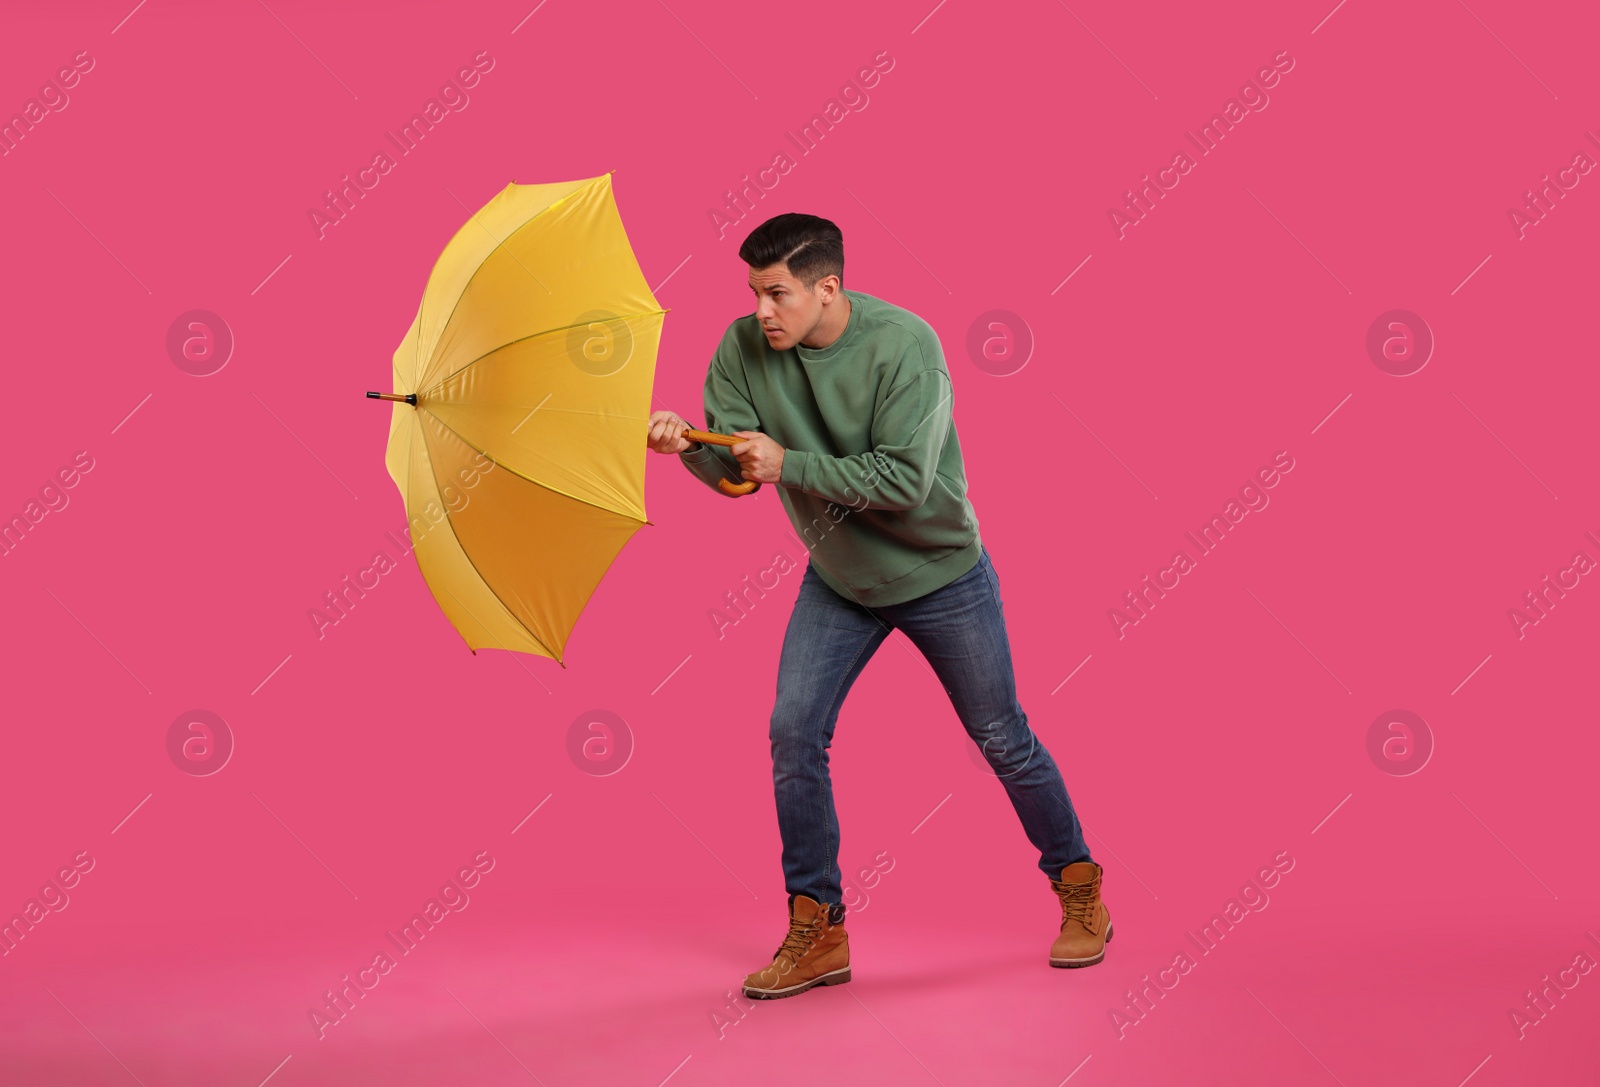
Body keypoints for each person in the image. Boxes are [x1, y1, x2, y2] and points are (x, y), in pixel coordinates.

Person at [645, 213, 1111, 1000]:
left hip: (940, 571)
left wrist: (787, 460)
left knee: (1002, 737)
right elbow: (734, 473)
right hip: (839, 576)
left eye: (777, 293)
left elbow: (906, 484)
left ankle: (1078, 886)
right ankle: (819, 927)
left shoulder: (908, 346)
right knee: (793, 730)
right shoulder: (740, 348)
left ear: (828, 288)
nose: (762, 311)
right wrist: (690, 447)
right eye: (755, 293)